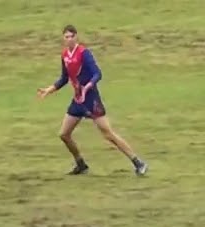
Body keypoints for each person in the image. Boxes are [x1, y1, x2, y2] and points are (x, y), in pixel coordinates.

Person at [36, 24, 148, 176]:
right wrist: (49, 89)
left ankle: (138, 162)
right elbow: (64, 78)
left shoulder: (84, 53)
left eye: (71, 36)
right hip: (78, 100)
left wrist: (88, 86)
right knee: (64, 134)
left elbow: (97, 73)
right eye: (66, 37)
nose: (68, 40)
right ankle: (81, 164)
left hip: (91, 100)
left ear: (76, 37)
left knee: (108, 134)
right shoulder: (64, 55)